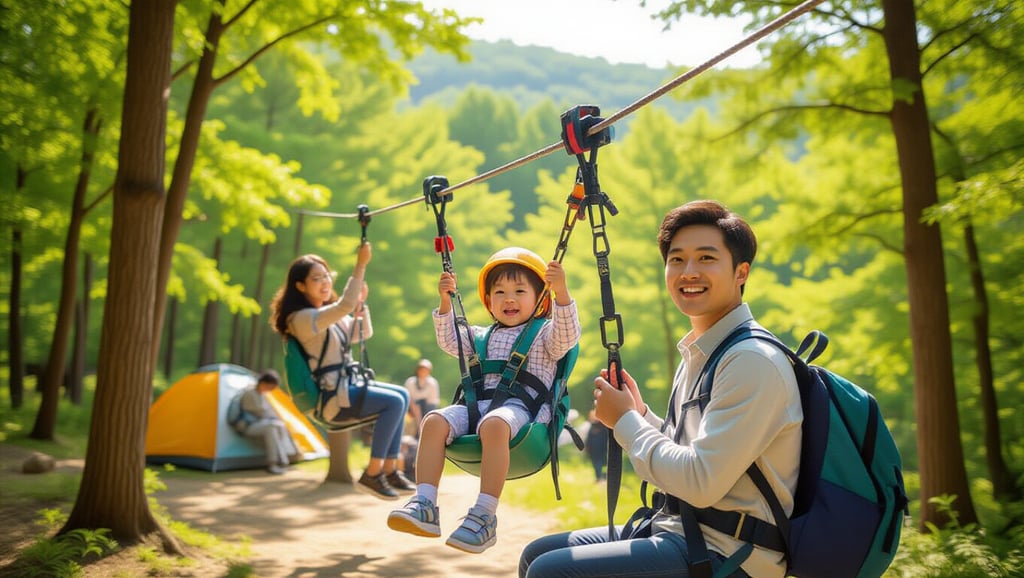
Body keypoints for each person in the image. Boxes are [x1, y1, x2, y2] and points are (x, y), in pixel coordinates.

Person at [518, 200, 803, 578]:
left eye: (706, 258)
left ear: (741, 272)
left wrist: (625, 422)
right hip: (683, 530)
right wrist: (640, 415)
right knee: (536, 554)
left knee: (551, 572)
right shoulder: (703, 352)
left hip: (730, 555)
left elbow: (699, 482)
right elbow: (687, 454)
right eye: (677, 259)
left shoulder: (752, 361)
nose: (689, 272)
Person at [387, 247, 582, 554]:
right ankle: (424, 503)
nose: (509, 299)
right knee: (433, 420)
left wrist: (561, 292)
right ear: (489, 300)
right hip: (477, 410)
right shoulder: (480, 335)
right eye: (499, 292)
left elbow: (567, 336)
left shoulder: (546, 334)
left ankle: (484, 515)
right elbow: (449, 340)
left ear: (541, 299)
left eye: (520, 291)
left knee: (494, 423)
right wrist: (445, 301)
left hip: (522, 412)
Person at [269, 241, 415, 500]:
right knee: (393, 403)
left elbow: (362, 333)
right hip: (332, 399)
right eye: (316, 278)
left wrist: (361, 305)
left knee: (402, 395)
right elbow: (343, 307)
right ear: (300, 286)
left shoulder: (327, 316)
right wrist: (360, 265)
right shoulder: (301, 319)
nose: (325, 282)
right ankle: (372, 473)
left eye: (326, 276)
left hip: (345, 388)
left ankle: (390, 470)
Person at [234, 369, 296, 475]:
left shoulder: (262, 395)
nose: (270, 389)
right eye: (270, 386)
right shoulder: (250, 394)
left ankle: (284, 460)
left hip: (260, 424)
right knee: (271, 427)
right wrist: (271, 418)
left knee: (279, 425)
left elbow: (266, 414)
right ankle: (273, 463)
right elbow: (260, 413)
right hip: (248, 425)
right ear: (263, 383)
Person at [403, 358, 441, 438]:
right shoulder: (410, 382)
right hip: (412, 408)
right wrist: (417, 414)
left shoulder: (432, 383)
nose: (423, 372)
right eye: (421, 369)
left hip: (427, 408)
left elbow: (433, 402)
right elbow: (409, 399)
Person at [583, 408, 608, 482]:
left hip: (598, 447)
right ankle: (600, 477)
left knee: (598, 462)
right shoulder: (600, 426)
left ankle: (600, 477)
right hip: (597, 447)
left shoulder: (602, 426)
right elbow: (589, 437)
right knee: (598, 462)